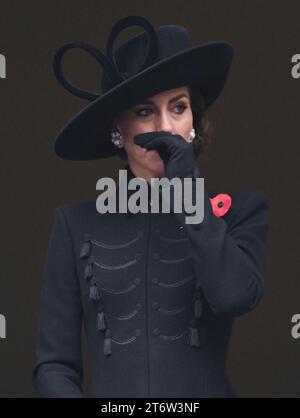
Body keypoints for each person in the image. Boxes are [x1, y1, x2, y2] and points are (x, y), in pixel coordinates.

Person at [32, 15, 270, 398]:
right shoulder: (74, 224)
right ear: (118, 129)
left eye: (178, 107)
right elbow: (54, 364)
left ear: (195, 119)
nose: (166, 127)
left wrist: (187, 188)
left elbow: (233, 296)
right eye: (145, 112)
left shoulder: (240, 211)